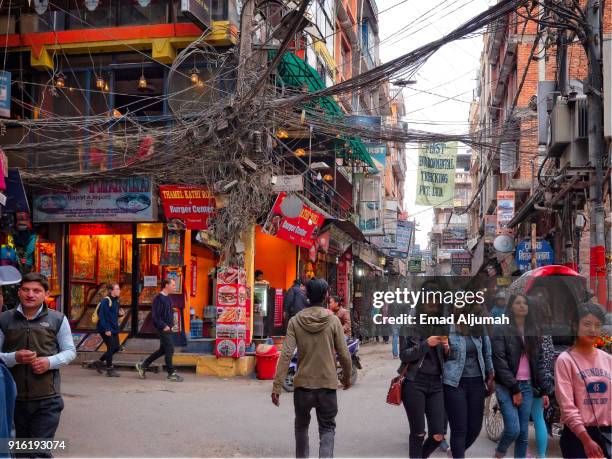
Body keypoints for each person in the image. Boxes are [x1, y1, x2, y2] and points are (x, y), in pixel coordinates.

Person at [272, 278, 351, 458]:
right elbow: (345, 355)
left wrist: (277, 387)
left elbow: (285, 355)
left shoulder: (295, 321)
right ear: (325, 296)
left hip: (303, 387)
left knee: (301, 427)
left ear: (306, 295)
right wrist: (346, 379)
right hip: (327, 386)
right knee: (327, 429)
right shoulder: (333, 321)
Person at [0, 272, 76, 451]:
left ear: (46, 294)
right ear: (19, 292)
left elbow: (70, 352)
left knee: (39, 452)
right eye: (26, 289)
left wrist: (49, 362)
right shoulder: (4, 319)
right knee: (18, 451)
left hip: (47, 399)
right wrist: (14, 358)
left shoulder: (58, 319)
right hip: (12, 399)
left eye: (36, 290)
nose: (30, 294)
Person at [492, 293, 550, 459]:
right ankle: (499, 453)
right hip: (506, 385)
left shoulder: (534, 330)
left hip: (527, 386)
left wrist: (544, 389)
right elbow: (500, 361)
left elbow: (539, 362)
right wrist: (514, 388)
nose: (522, 306)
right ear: (511, 306)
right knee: (513, 429)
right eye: (518, 303)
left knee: (523, 433)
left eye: (525, 303)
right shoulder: (501, 328)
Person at [555, 302, 611, 459]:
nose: (593, 329)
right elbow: (567, 406)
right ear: (575, 325)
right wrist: (586, 440)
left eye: (597, 325)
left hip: (607, 435)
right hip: (577, 436)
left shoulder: (608, 360)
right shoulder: (565, 360)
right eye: (587, 324)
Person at [399, 294, 449, 459]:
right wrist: (426, 344)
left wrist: (448, 349)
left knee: (438, 434)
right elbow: (405, 355)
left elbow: (447, 358)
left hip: (436, 384)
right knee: (418, 433)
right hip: (414, 383)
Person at [443, 304, 495, 458]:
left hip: (477, 383)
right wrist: (445, 350)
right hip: (454, 383)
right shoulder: (446, 326)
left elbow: (487, 351)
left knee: (475, 428)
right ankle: (458, 454)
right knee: (459, 429)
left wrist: (491, 373)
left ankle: (454, 453)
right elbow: (439, 357)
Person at [136, 279, 183, 382]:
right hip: (163, 329)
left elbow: (169, 314)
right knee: (170, 349)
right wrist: (164, 326)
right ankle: (171, 374)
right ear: (166, 285)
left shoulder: (168, 298)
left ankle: (143, 365)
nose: (174, 287)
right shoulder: (158, 298)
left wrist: (171, 325)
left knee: (163, 350)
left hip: (168, 328)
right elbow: (155, 316)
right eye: (173, 285)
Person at [93, 283, 123, 377]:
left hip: (113, 328)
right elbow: (102, 316)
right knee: (111, 347)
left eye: (119, 289)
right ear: (111, 291)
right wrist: (107, 329)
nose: (119, 291)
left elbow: (113, 314)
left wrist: (120, 315)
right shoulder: (106, 301)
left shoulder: (116, 301)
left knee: (116, 347)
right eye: (117, 289)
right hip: (105, 328)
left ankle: (99, 362)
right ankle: (109, 369)